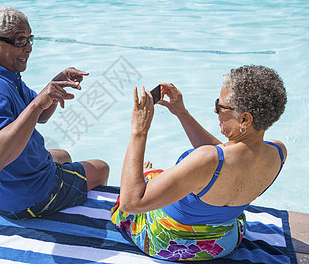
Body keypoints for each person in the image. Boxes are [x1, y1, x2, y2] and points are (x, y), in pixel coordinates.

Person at [111, 65, 287, 261]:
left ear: (245, 118)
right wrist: (182, 112)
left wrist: (139, 130)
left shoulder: (206, 160)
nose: (215, 110)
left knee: (143, 183)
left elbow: (131, 203)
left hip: (169, 243)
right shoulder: (278, 152)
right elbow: (227, 157)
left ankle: (148, 175)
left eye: (220, 107)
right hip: (223, 243)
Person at [0, 6, 109, 220]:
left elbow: (40, 117)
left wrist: (53, 86)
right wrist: (37, 104)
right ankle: (82, 218)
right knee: (101, 168)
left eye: (30, 40)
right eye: (20, 41)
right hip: (26, 198)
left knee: (63, 155)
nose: (28, 48)